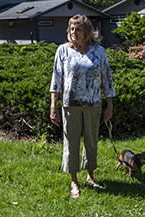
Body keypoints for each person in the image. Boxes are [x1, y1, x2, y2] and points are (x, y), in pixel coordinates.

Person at [50, 14, 115, 198]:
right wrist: (53, 106)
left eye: (77, 29)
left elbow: (107, 79)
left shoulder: (99, 52)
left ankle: (90, 177)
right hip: (70, 105)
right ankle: (74, 180)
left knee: (91, 142)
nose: (73, 32)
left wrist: (109, 104)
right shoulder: (63, 51)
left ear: (86, 31)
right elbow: (56, 80)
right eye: (71, 28)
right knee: (71, 143)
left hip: (94, 104)